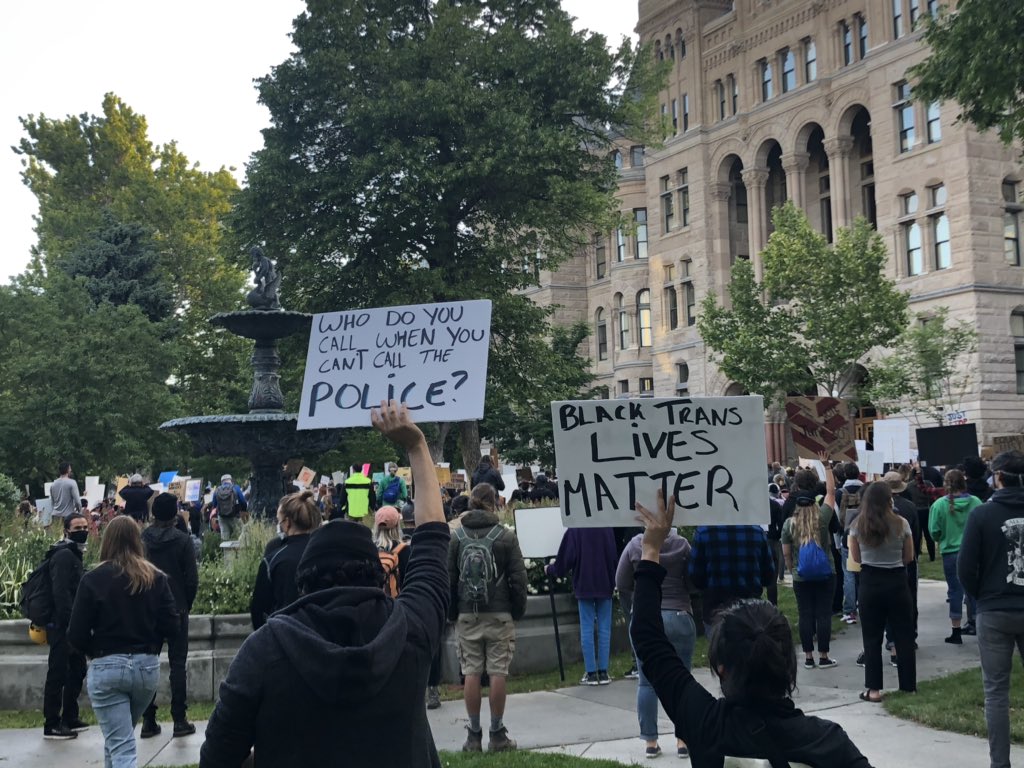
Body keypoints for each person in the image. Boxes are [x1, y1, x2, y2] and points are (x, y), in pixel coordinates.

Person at [199, 401, 450, 768]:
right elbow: (432, 540)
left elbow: (218, 757)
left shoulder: (265, 649)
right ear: (379, 576)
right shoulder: (411, 628)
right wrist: (416, 445)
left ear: (304, 582)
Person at [631, 489, 871, 767]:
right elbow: (769, 573)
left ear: (721, 668)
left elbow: (648, 639)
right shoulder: (828, 743)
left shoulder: (704, 722)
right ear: (788, 666)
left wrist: (651, 550)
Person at [68, 516, 179, 768]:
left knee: (121, 746)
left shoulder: (93, 579)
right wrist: (152, 644)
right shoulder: (155, 578)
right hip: (146, 667)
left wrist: (95, 652)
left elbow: (75, 633)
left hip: (107, 664)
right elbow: (173, 626)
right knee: (118, 740)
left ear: (107, 541)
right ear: (137, 541)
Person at [449, 479, 528, 753]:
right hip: (499, 613)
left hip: (467, 614)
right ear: (494, 503)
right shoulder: (505, 537)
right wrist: (516, 610)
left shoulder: (457, 537)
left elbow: (449, 580)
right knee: (498, 672)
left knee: (470, 672)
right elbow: (518, 579)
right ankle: (497, 733)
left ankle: (473, 735)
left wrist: (453, 612)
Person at [957, 450, 1024, 768]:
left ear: (997, 477)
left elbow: (965, 567)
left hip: (994, 608)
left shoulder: (982, 515)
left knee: (996, 691)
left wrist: (980, 596)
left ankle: (1000, 763)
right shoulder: (981, 513)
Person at [617, 519, 696, 759]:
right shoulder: (682, 545)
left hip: (646, 617)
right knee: (683, 679)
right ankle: (683, 739)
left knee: (646, 682)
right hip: (679, 613)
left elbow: (621, 582)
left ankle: (651, 741)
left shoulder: (635, 544)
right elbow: (692, 582)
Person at [849, 482, 916, 702]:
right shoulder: (902, 523)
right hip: (897, 580)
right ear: (890, 500)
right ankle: (908, 686)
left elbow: (856, 558)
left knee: (871, 637)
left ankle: (874, 689)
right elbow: (909, 557)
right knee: (903, 635)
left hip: (870, 581)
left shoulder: (858, 525)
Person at [140, 493, 199, 739]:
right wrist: (186, 602)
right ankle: (179, 719)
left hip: (149, 607)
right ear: (174, 514)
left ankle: (148, 719)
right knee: (178, 664)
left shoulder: (143, 539)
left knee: (148, 663)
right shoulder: (183, 541)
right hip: (177, 606)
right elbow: (192, 579)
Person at [782, 463, 839, 670]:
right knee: (823, 614)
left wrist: (791, 569)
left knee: (805, 614)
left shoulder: (789, 524)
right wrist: (827, 467)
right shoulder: (822, 518)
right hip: (826, 572)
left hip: (801, 574)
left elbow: (786, 553)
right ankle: (824, 656)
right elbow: (831, 492)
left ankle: (808, 657)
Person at [546, 527, 618, 686]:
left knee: (587, 628)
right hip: (605, 582)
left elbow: (565, 561)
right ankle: (603, 672)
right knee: (604, 629)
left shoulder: (575, 529)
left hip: (584, 583)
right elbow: (613, 557)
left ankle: (591, 673)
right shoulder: (606, 529)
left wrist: (551, 569)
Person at [42, 513, 91, 740]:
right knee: (58, 672)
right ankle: (51, 722)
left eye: (85, 527)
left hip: (71, 623)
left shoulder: (73, 553)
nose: (82, 531)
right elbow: (60, 592)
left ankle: (70, 716)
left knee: (77, 668)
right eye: (77, 528)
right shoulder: (63, 555)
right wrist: (70, 622)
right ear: (66, 531)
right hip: (62, 624)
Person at [249, 491, 322, 631]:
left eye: (280, 521)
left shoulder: (273, 559)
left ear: (287, 523)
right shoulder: (325, 552)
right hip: (321, 633)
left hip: (284, 633)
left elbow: (258, 609)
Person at [929, 468, 983, 643]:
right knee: (975, 590)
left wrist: (943, 538)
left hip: (950, 552)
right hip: (973, 552)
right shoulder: (976, 502)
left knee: (954, 591)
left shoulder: (939, 505)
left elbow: (934, 531)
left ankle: (956, 631)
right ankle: (977, 624)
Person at [688, 522, 775, 627]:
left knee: (717, 637)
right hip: (751, 611)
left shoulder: (703, 531)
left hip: (715, 611)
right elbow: (768, 576)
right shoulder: (757, 531)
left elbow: (695, 576)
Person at [836, 463, 865, 625]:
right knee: (862, 572)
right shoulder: (866, 490)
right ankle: (862, 604)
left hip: (846, 536)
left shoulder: (840, 492)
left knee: (848, 575)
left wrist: (837, 542)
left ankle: (849, 610)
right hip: (864, 534)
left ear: (845, 474)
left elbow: (836, 516)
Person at [373, 504, 411, 593]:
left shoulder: (370, 549)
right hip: (399, 598)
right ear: (397, 525)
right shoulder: (406, 550)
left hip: (375, 597)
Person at [211, 474, 247, 542]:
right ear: (231, 480)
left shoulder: (217, 490)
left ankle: (226, 548)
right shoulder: (236, 488)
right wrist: (243, 510)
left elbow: (214, 505)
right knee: (239, 536)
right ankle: (238, 548)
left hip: (222, 517)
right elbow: (243, 502)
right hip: (235, 516)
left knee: (225, 539)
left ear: (222, 482)